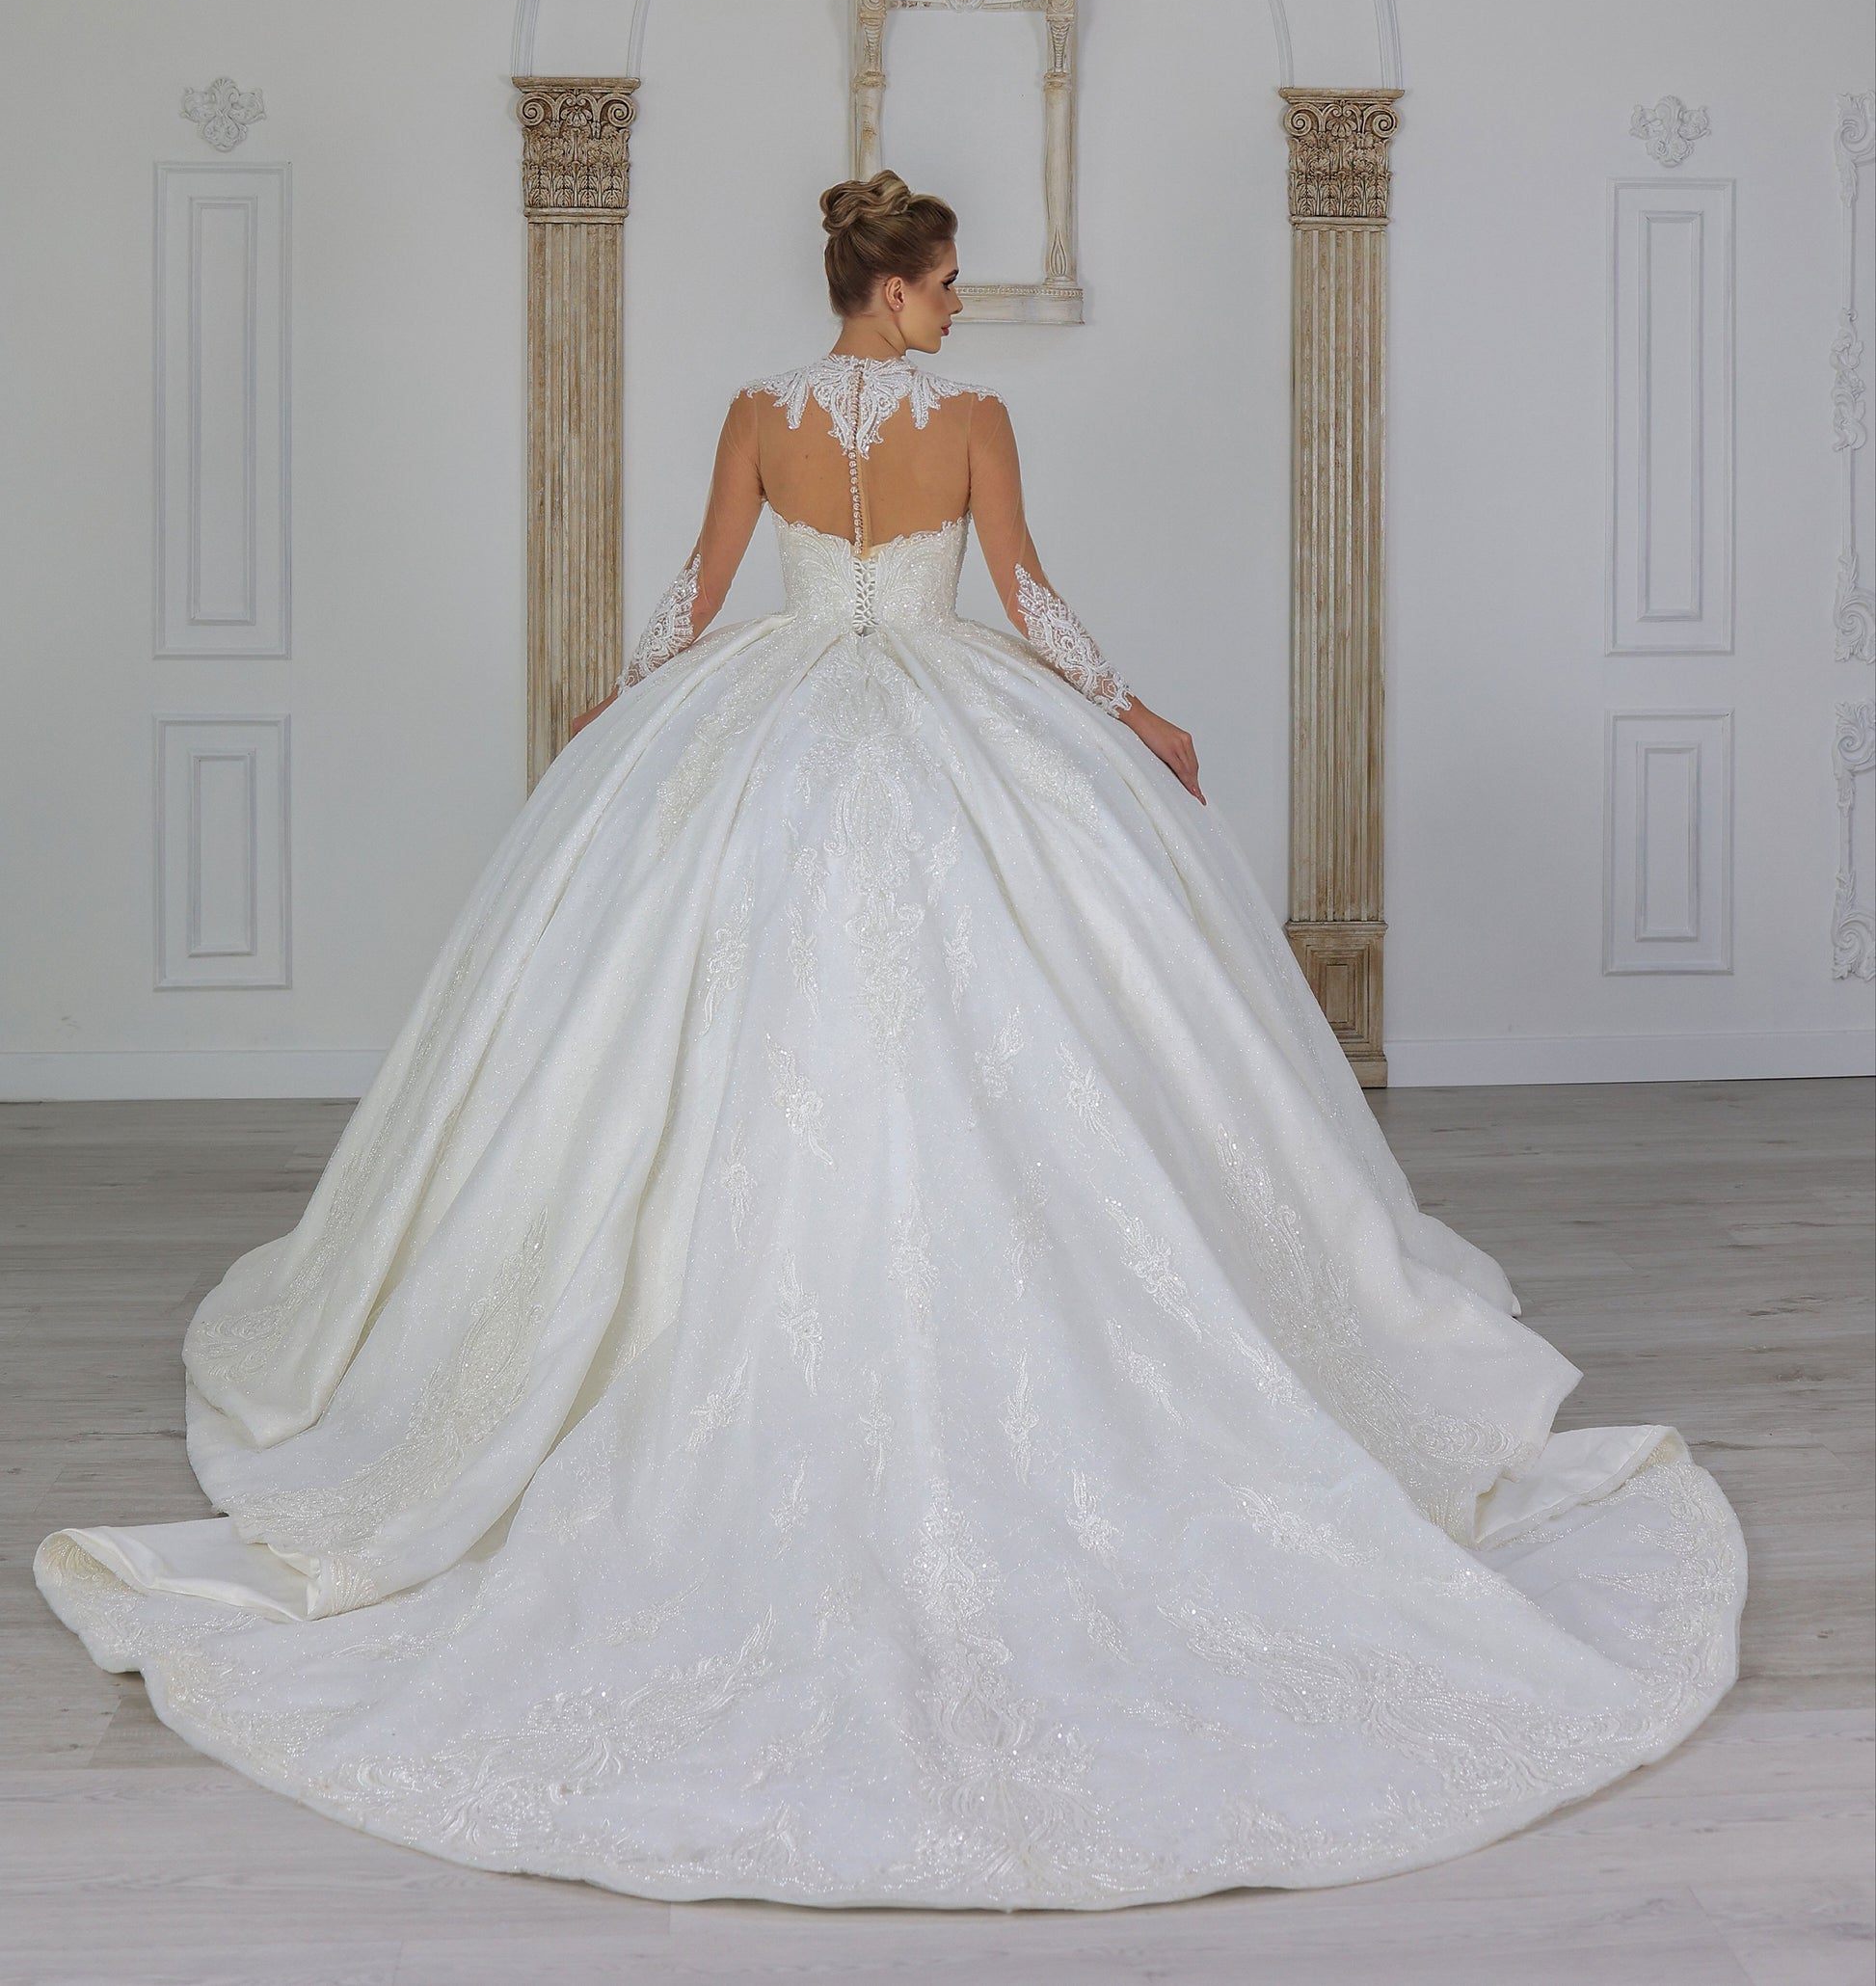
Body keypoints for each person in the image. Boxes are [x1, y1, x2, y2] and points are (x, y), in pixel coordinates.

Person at [37, 172, 1745, 1910]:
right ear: (900, 291)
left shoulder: (756, 411)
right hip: (947, 717)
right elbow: (1028, 601)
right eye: (946, 284)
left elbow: (699, 593)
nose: (957, 306)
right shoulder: (973, 419)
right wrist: (1137, 714)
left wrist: (620, 708)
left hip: (765, 720)